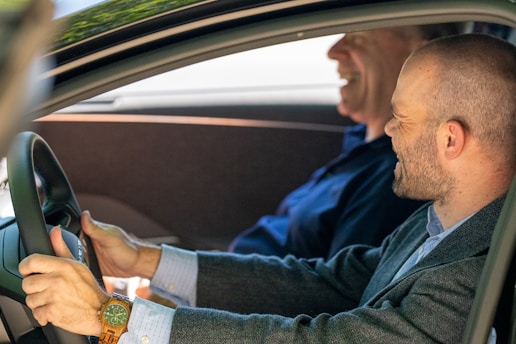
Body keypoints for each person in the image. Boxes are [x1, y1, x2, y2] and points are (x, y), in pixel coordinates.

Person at [19, 33, 516, 343]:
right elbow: (330, 284)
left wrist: (112, 317)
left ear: (451, 139)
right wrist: (143, 259)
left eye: (401, 120)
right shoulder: (440, 223)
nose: (387, 131)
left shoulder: (475, 276)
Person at [229, 25, 462, 259]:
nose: (334, 51)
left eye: (358, 35)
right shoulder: (364, 144)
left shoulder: (400, 177)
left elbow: (333, 290)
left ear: (422, 61)